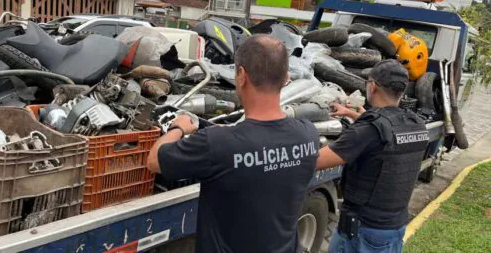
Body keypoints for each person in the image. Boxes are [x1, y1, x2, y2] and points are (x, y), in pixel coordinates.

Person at [147, 34, 320, 253]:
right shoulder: (308, 134)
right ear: (286, 78)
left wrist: (179, 127)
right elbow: (263, 152)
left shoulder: (217, 145)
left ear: (241, 75)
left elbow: (154, 161)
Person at [317, 59, 429, 253]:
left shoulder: (368, 129)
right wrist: (352, 114)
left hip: (362, 233)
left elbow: (315, 161)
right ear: (401, 91)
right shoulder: (415, 123)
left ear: (372, 86)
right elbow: (385, 134)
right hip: (394, 228)